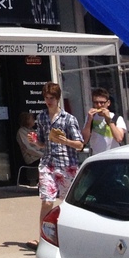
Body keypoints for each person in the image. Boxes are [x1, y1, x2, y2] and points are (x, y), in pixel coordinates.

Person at [33, 82, 83, 248]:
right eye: (46, 98)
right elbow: (41, 143)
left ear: (58, 98)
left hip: (66, 164)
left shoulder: (68, 119)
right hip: (48, 163)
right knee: (47, 201)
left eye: (51, 98)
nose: (49, 101)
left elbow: (80, 144)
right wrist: (35, 141)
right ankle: (44, 239)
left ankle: (72, 237)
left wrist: (66, 140)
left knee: (68, 202)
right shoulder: (41, 117)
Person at [81, 87, 126, 154]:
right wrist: (89, 120)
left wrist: (109, 120)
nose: (99, 105)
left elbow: (119, 138)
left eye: (102, 103)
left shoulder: (117, 118)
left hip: (114, 155)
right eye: (96, 103)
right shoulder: (90, 117)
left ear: (108, 103)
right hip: (97, 156)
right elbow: (84, 140)